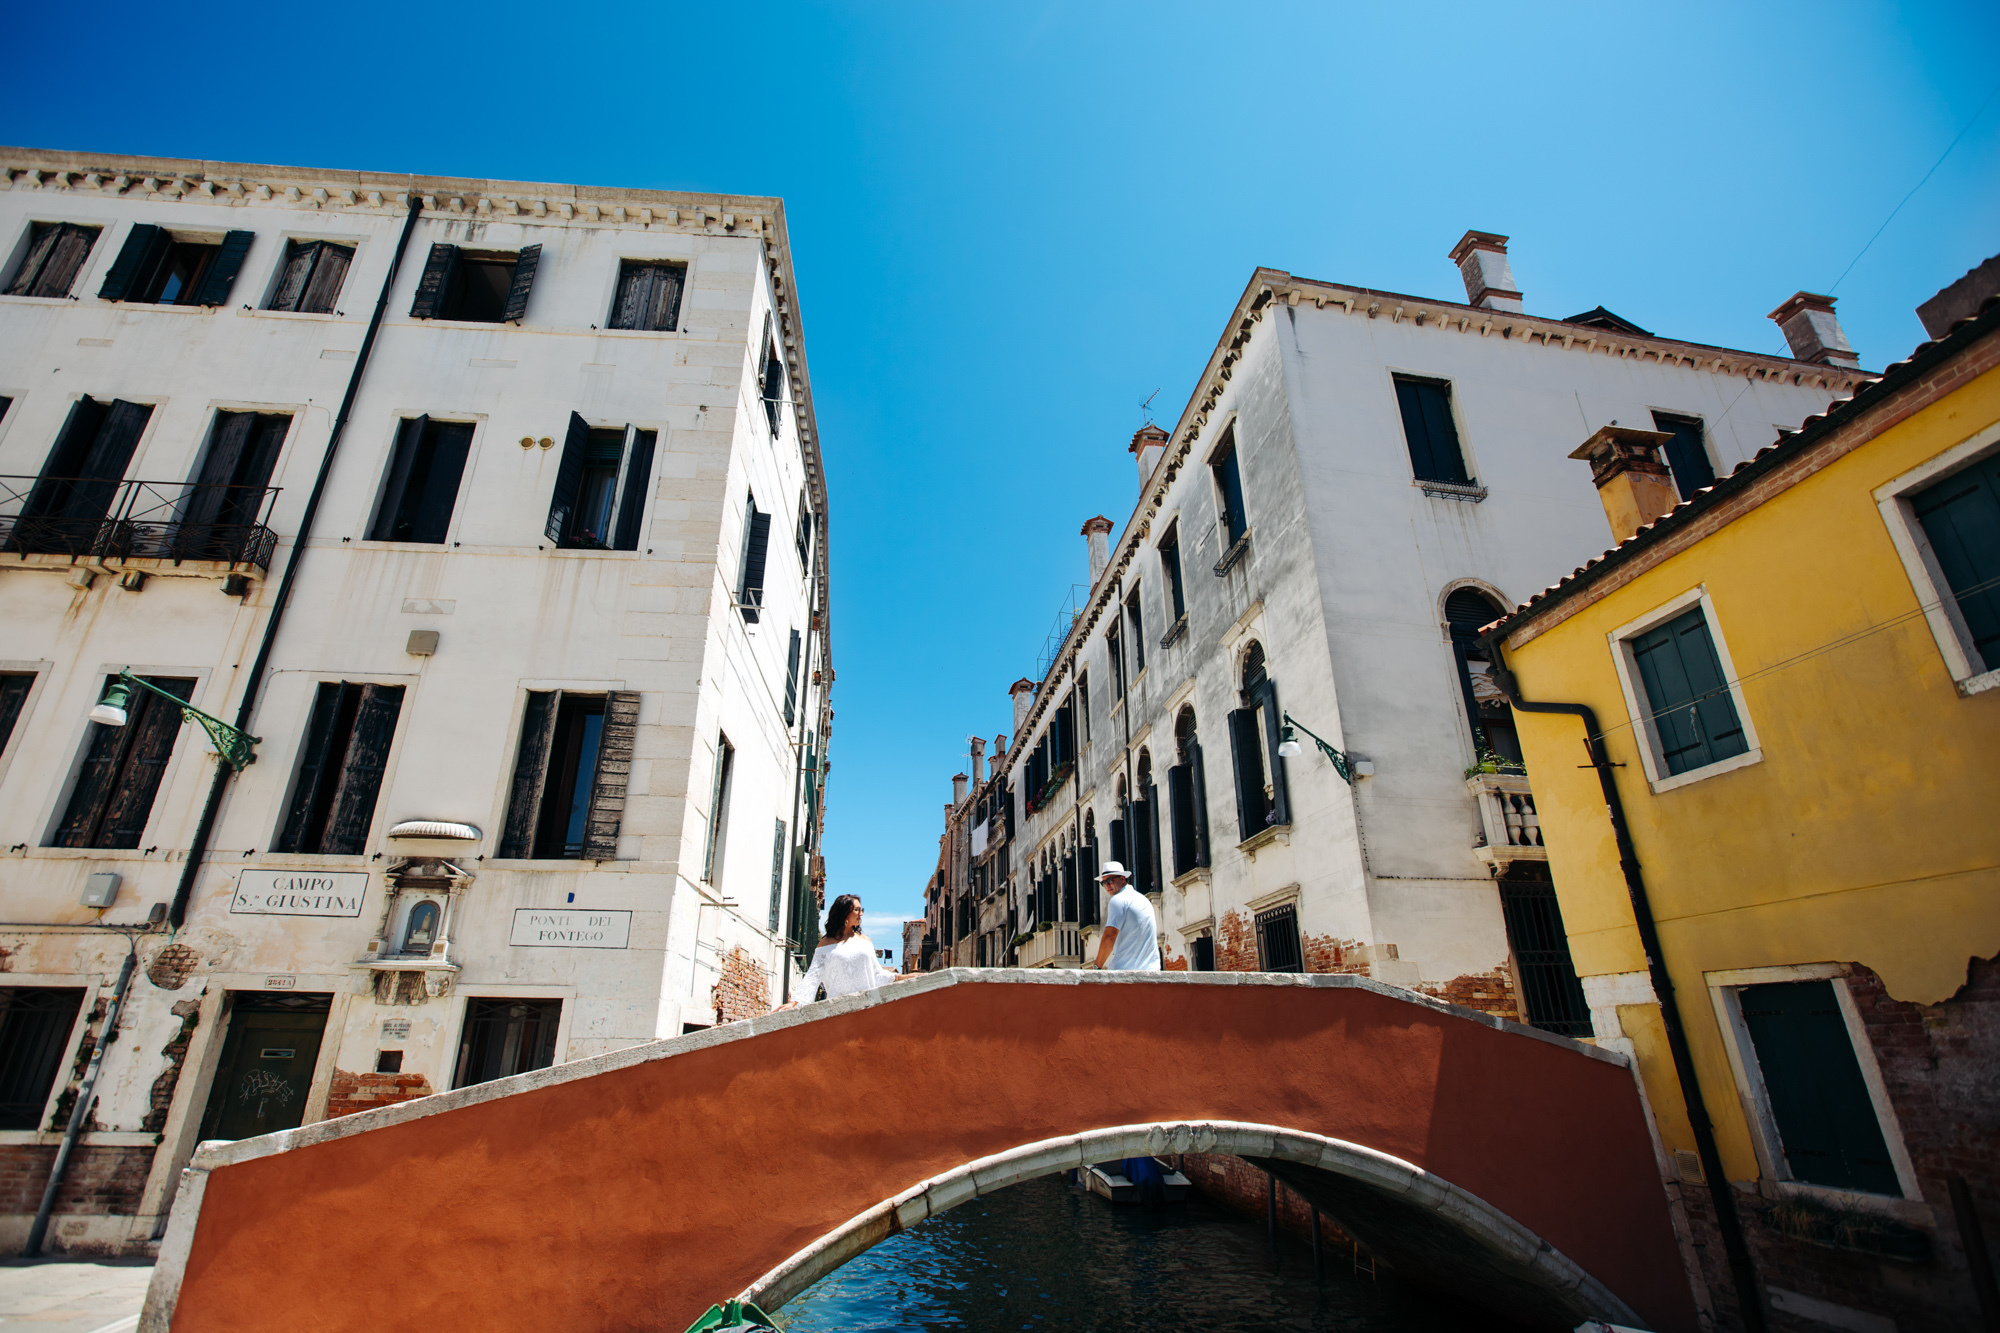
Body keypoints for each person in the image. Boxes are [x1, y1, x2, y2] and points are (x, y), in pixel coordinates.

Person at [777, 894, 905, 1007]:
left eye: (861, 910)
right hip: (838, 1010)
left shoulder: (865, 941)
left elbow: (877, 974)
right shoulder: (826, 944)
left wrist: (903, 977)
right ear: (844, 913)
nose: (861, 914)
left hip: (869, 1007)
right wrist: (795, 1002)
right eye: (857, 910)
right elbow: (813, 977)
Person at [1089, 861, 1160, 971]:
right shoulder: (1143, 899)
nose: (1107, 886)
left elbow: (1110, 936)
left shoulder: (1118, 900)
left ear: (1122, 879)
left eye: (1110, 881)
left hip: (1126, 972)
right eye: (1103, 883)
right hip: (1151, 971)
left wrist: (1096, 967)